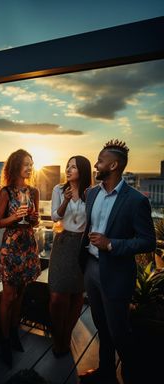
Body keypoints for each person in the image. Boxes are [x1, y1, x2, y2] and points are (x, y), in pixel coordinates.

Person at [78, 139, 156, 384]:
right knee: (101, 325)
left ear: (113, 165)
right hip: (91, 268)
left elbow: (147, 241)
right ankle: (106, 373)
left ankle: (133, 376)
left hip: (116, 273)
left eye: (100, 160)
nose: (95, 164)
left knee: (119, 331)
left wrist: (111, 244)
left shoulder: (136, 201)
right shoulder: (91, 194)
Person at [0, 148, 41, 368]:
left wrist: (33, 218)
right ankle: (4, 341)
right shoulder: (5, 192)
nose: (30, 167)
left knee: (21, 293)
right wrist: (14, 216)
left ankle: (14, 333)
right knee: (8, 295)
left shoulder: (33, 191)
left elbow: (36, 221)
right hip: (11, 248)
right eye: (26, 163)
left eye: (31, 164)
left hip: (28, 247)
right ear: (15, 165)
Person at [48, 155, 92, 357]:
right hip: (63, 242)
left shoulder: (91, 193)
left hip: (83, 245)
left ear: (82, 170)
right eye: (67, 166)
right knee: (58, 295)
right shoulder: (58, 189)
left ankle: (66, 335)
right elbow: (55, 216)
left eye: (73, 167)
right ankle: (57, 335)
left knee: (76, 294)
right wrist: (65, 200)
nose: (68, 169)